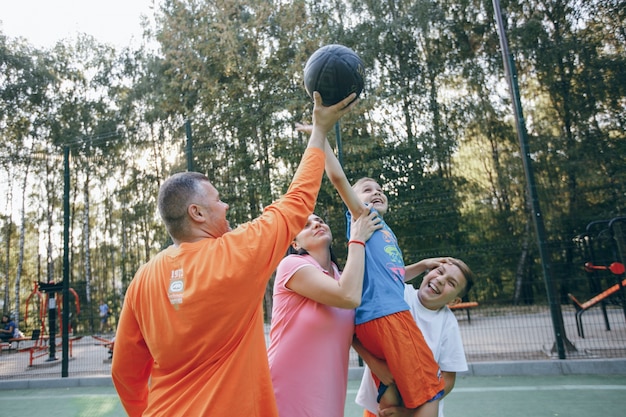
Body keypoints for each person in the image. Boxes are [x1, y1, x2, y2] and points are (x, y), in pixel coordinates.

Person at [111, 91, 358, 417]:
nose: (225, 205)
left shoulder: (142, 279)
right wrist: (320, 130)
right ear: (197, 213)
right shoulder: (235, 254)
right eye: (218, 199)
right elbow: (297, 202)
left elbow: (124, 371)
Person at [295, 124, 445, 416]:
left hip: (372, 322)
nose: (376, 193)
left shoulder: (385, 232)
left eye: (379, 190)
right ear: (354, 198)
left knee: (390, 397)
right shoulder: (363, 216)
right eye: (366, 189)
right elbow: (337, 177)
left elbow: (395, 275)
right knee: (431, 392)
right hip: (389, 317)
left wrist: (424, 265)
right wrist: (320, 134)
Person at [267, 210, 382, 416]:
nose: (316, 224)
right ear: (295, 244)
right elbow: (348, 296)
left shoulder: (342, 277)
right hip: (285, 385)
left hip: (328, 391)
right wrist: (357, 239)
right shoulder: (291, 265)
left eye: (319, 221)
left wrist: (425, 266)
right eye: (306, 225)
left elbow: (378, 284)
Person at [355, 257, 474, 417]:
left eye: (451, 283)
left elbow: (448, 378)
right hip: (380, 406)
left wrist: (408, 412)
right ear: (426, 273)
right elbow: (381, 276)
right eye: (439, 271)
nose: (440, 280)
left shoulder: (448, 323)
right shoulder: (399, 293)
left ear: (454, 301)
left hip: (418, 410)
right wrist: (374, 364)